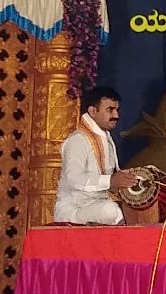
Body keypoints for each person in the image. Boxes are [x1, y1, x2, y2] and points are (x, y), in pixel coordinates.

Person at [54, 86, 138, 225]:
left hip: (101, 203)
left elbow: (112, 176)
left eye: (117, 110)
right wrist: (110, 181)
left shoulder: (106, 139)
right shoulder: (78, 140)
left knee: (132, 208)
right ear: (93, 111)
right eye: (110, 110)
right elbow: (74, 179)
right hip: (75, 208)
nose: (116, 115)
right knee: (112, 212)